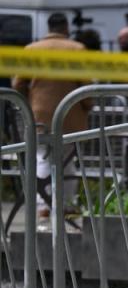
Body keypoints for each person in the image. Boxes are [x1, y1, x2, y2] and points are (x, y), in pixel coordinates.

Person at [12, 13, 92, 221]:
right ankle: (65, 205)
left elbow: (18, 83)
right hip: (70, 115)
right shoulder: (77, 49)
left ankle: (43, 206)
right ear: (66, 27)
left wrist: (26, 103)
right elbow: (85, 85)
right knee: (67, 162)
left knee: (42, 158)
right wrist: (87, 105)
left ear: (48, 28)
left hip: (39, 115)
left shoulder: (31, 50)